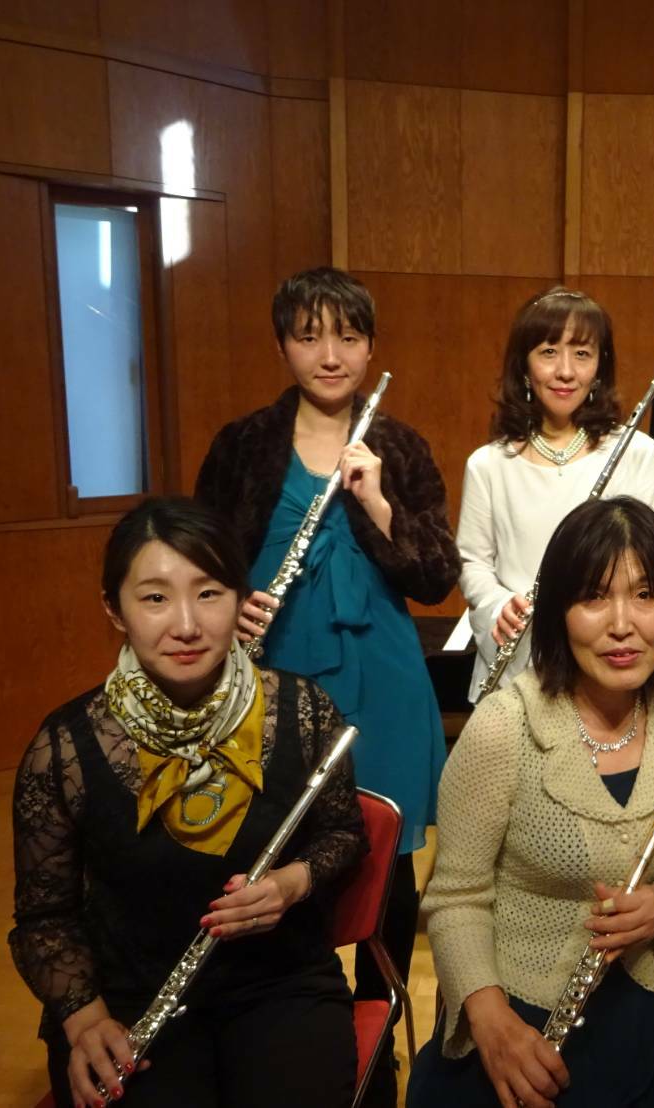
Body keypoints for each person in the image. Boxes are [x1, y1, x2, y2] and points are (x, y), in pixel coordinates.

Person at [194, 266, 459, 1104]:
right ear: (282, 346)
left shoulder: (399, 447)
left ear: (370, 345)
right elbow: (196, 560)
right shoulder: (244, 443)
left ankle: (378, 1042)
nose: (330, 354)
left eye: (347, 335)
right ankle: (290, 1023)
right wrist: (225, 606)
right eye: (308, 336)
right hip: (273, 679)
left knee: (389, 863)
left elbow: (437, 576)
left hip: (384, 681)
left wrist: (377, 501)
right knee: (277, 850)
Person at [9, 498, 366, 1108]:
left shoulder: (304, 710)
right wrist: (84, 1019)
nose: (186, 625)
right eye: (155, 598)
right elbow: (44, 918)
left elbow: (344, 833)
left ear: (241, 599)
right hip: (129, 999)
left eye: (208, 594)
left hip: (281, 985)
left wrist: (293, 883)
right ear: (113, 609)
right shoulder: (64, 748)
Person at [409, 497, 654, 1108]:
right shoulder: (503, 728)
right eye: (593, 597)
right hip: (518, 1000)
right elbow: (455, 899)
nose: (623, 624)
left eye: (646, 595)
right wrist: (490, 1021)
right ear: (558, 611)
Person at [457, 286, 654, 700]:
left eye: (582, 353)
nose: (566, 371)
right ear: (524, 365)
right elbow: (472, 561)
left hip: (608, 655)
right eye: (549, 352)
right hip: (519, 659)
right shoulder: (488, 464)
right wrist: (498, 604)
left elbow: (652, 561)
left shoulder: (636, 452)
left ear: (600, 368)